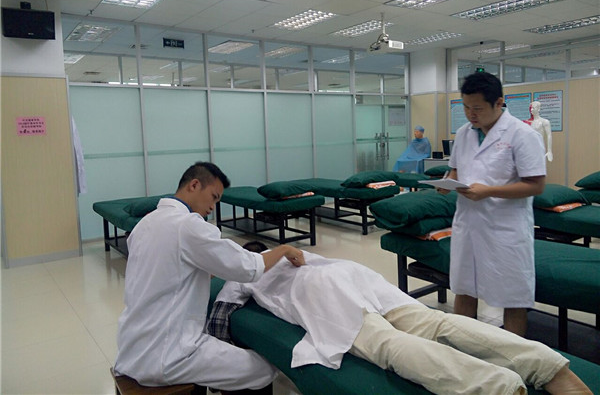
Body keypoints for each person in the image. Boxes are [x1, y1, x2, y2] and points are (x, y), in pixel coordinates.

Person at [208, 242, 591, 395]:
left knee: (391, 346)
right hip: (356, 276)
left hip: (326, 294)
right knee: (438, 323)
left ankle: (498, 388)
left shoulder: (249, 269)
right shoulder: (302, 253)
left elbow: (222, 314)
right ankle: (548, 365)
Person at [113, 162, 305, 391]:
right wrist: (284, 250)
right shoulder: (188, 225)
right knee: (262, 369)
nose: (213, 207)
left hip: (131, 347)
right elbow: (247, 267)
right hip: (168, 354)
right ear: (194, 185)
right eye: (214, 197)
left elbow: (171, 270)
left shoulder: (145, 224)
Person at [438, 72, 546, 337]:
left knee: (512, 297)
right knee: (464, 289)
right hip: (468, 224)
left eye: (477, 108)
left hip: (505, 229)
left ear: (498, 103)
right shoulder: (464, 133)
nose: (470, 115)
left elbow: (536, 185)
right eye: (465, 107)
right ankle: (463, 346)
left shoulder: (522, 134)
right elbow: (455, 169)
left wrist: (489, 192)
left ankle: (514, 354)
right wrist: (447, 182)